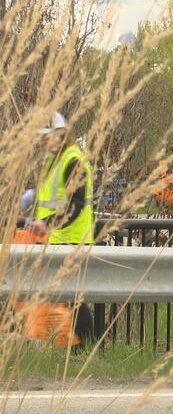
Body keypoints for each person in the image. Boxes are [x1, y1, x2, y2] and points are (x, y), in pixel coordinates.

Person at [30, 112, 94, 344]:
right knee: (67, 298)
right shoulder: (53, 160)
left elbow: (75, 205)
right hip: (55, 238)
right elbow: (51, 199)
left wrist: (47, 224)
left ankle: (87, 345)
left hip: (72, 238)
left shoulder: (73, 160)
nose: (43, 141)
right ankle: (78, 346)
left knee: (73, 298)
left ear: (61, 134)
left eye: (47, 136)